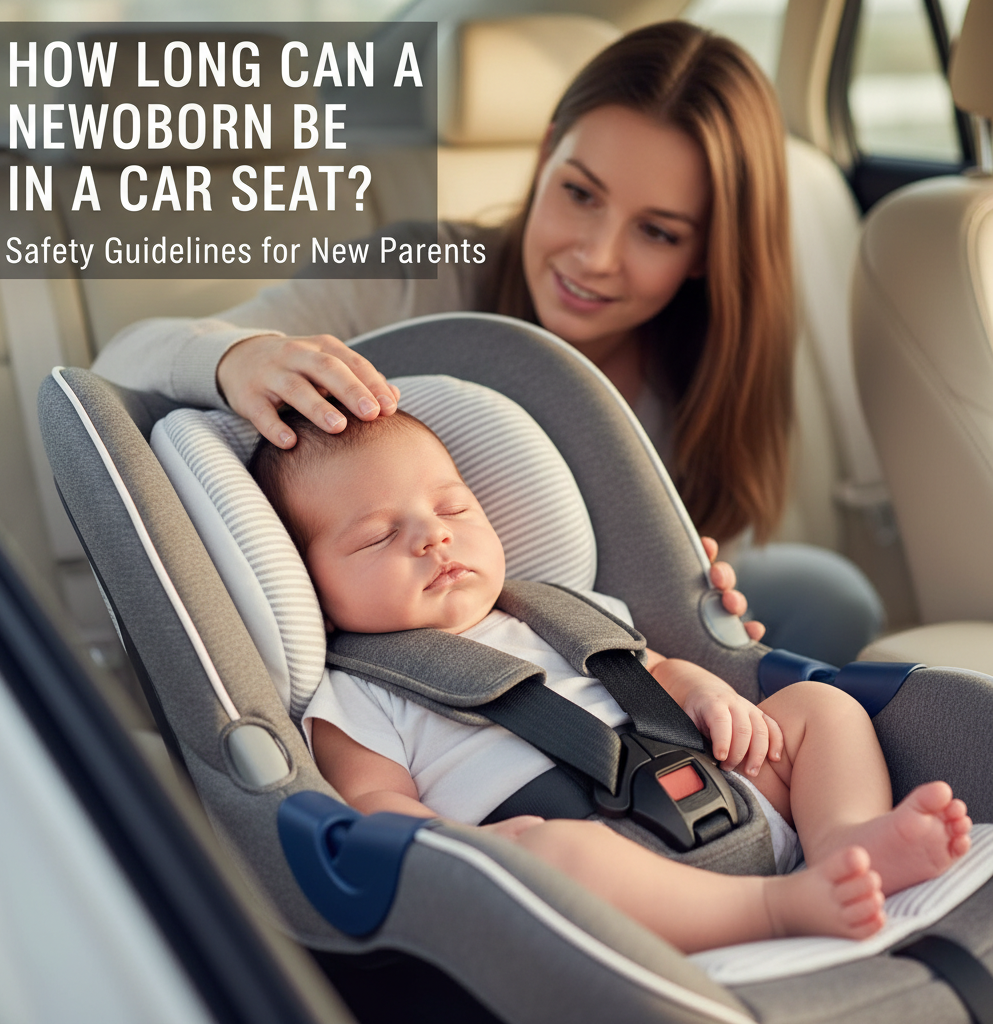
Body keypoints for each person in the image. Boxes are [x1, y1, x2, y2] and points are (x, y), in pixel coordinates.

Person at [91, 21, 882, 664]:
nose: (595, 256)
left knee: (833, 595)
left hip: (598, 652)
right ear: (544, 158)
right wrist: (237, 358)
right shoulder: (413, 275)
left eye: (657, 232)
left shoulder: (706, 367)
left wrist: (698, 596)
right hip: (408, 663)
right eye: (579, 194)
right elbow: (124, 363)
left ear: (709, 252)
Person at [247, 406, 971, 955]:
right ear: (310, 582)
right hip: (606, 869)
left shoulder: (564, 610)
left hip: (728, 786)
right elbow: (373, 806)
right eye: (377, 535)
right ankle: (779, 909)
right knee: (556, 859)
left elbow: (653, 671)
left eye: (452, 507)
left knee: (819, 706)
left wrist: (709, 695)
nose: (432, 536)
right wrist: (467, 846)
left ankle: (846, 841)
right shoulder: (358, 693)